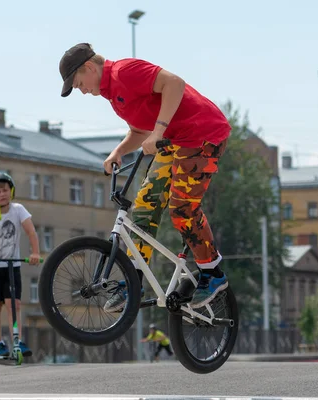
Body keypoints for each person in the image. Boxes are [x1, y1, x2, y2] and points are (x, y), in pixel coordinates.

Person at [59, 43, 231, 312]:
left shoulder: (124, 72)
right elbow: (139, 131)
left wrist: (159, 132)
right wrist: (118, 151)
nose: (81, 90)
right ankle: (132, 283)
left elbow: (174, 83)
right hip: (174, 141)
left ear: (89, 68)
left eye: (78, 83)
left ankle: (213, 273)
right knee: (143, 210)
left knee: (182, 209)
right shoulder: (112, 96)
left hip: (202, 134)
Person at [0, 172, 41, 357]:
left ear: (11, 191)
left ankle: (17, 341)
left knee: (14, 303)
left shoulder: (18, 209)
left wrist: (35, 252)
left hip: (12, 267)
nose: (2, 194)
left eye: (5, 190)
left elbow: (31, 232)